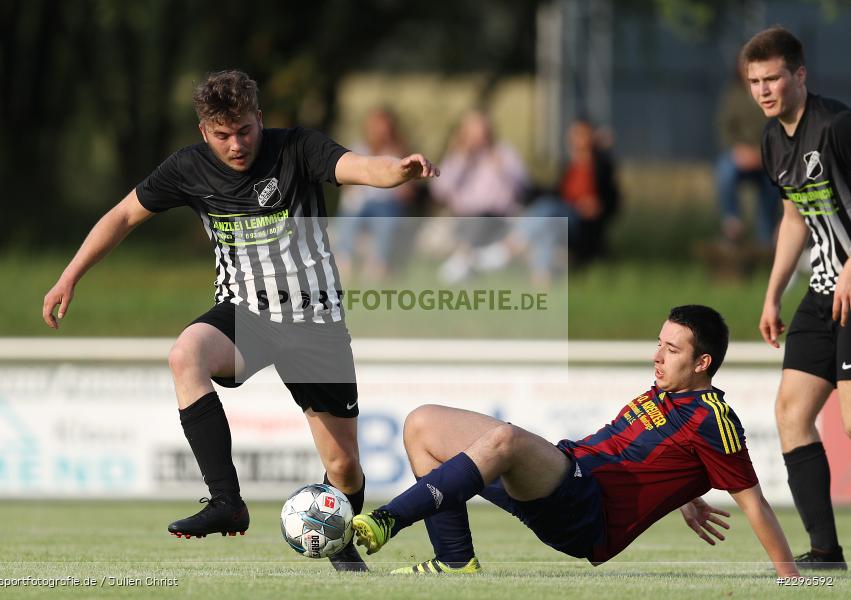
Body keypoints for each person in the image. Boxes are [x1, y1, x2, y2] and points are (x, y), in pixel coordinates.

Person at [41, 70, 438, 572]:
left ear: (260, 119)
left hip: (314, 319)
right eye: (222, 135)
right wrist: (70, 276)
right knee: (186, 353)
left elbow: (359, 166)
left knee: (343, 465)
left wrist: (398, 170)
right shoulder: (187, 168)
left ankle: (339, 545)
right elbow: (122, 216)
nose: (235, 145)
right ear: (204, 132)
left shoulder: (296, 148)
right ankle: (226, 500)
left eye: (245, 131)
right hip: (245, 312)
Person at [350, 305, 798, 577]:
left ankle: (388, 519)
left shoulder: (713, 418)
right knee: (422, 425)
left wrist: (790, 577)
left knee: (506, 439)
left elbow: (753, 501)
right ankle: (454, 561)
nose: (657, 357)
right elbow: (660, 456)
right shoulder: (664, 391)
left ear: (703, 363)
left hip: (586, 511)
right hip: (567, 475)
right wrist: (684, 494)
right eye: (658, 343)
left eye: (672, 350)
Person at [751, 26, 851, 570]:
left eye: (774, 78)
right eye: (755, 81)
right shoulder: (772, 139)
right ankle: (826, 552)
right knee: (792, 413)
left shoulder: (837, 125)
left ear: (800, 75)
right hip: (821, 292)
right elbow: (794, 218)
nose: (764, 90)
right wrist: (772, 295)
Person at [473, 118, 620, 284]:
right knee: (549, 224)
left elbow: (612, 201)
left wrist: (598, 207)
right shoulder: (570, 167)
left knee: (549, 207)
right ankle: (542, 278)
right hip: (560, 218)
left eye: (581, 135)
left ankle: (507, 248)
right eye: (574, 136)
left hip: (580, 223)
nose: (576, 140)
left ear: (591, 138)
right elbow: (555, 191)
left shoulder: (601, 166)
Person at [429, 110, 529, 284]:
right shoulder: (457, 157)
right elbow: (439, 190)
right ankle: (477, 260)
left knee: (481, 219)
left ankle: (461, 263)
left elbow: (522, 187)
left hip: (498, 217)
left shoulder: (504, 154)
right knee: (474, 220)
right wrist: (463, 160)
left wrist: (502, 169)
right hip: (463, 217)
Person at [333, 106, 416, 281]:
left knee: (385, 220)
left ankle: (378, 263)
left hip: (387, 203)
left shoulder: (400, 152)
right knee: (350, 215)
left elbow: (408, 192)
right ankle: (344, 259)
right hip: (362, 202)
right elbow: (346, 181)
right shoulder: (358, 148)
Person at [715, 57, 780, 247]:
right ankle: (732, 223)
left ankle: (766, 239)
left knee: (773, 183)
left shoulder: (771, 93)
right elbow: (725, 129)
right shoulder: (732, 95)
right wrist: (739, 150)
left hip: (766, 156)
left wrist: (763, 154)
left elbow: (778, 127)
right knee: (724, 169)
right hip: (740, 154)